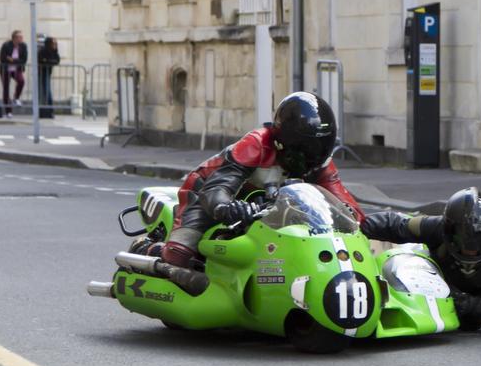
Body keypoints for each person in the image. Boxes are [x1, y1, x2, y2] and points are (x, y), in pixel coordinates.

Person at [133, 92, 366, 295]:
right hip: (206, 192)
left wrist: (354, 220)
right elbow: (218, 187)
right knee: (180, 254)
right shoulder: (256, 144)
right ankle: (146, 248)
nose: (314, 154)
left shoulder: (320, 162)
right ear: (285, 140)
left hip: (263, 202)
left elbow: (342, 200)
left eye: (320, 146)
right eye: (308, 147)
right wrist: (224, 207)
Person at [360, 187, 481, 330]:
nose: (471, 248)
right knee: (402, 253)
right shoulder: (437, 227)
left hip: (463, 313)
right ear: (449, 229)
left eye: (480, 237)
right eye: (464, 237)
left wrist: (464, 302)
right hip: (425, 281)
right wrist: (359, 225)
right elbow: (397, 224)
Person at [0, 30, 28, 118]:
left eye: (22, 37)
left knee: (21, 81)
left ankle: (16, 98)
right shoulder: (6, 45)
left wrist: (12, 60)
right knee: (6, 90)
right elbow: (3, 58)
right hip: (5, 70)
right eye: (20, 37)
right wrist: (12, 60)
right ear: (14, 38)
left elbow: (24, 60)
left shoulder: (23, 46)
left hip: (17, 69)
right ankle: (8, 112)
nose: (21, 39)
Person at [37, 37, 60, 119]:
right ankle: (44, 111)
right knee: (44, 92)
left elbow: (56, 61)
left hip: (47, 73)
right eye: (53, 43)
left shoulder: (54, 51)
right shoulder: (43, 51)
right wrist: (48, 61)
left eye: (55, 43)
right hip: (41, 73)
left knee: (47, 92)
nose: (54, 45)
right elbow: (41, 60)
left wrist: (47, 61)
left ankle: (49, 111)